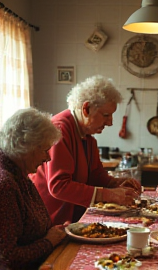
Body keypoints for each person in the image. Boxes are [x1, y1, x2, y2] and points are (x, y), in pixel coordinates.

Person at [29, 75, 141, 226]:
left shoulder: (87, 136)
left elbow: (95, 175)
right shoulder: (59, 130)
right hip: (51, 220)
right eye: (106, 115)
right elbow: (59, 186)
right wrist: (109, 194)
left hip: (71, 217)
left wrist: (117, 184)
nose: (110, 122)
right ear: (86, 109)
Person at [0, 108, 66, 270]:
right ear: (24, 146)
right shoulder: (5, 185)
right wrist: (49, 242)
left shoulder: (20, 174)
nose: (48, 158)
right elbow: (7, 259)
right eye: (44, 150)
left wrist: (54, 233)